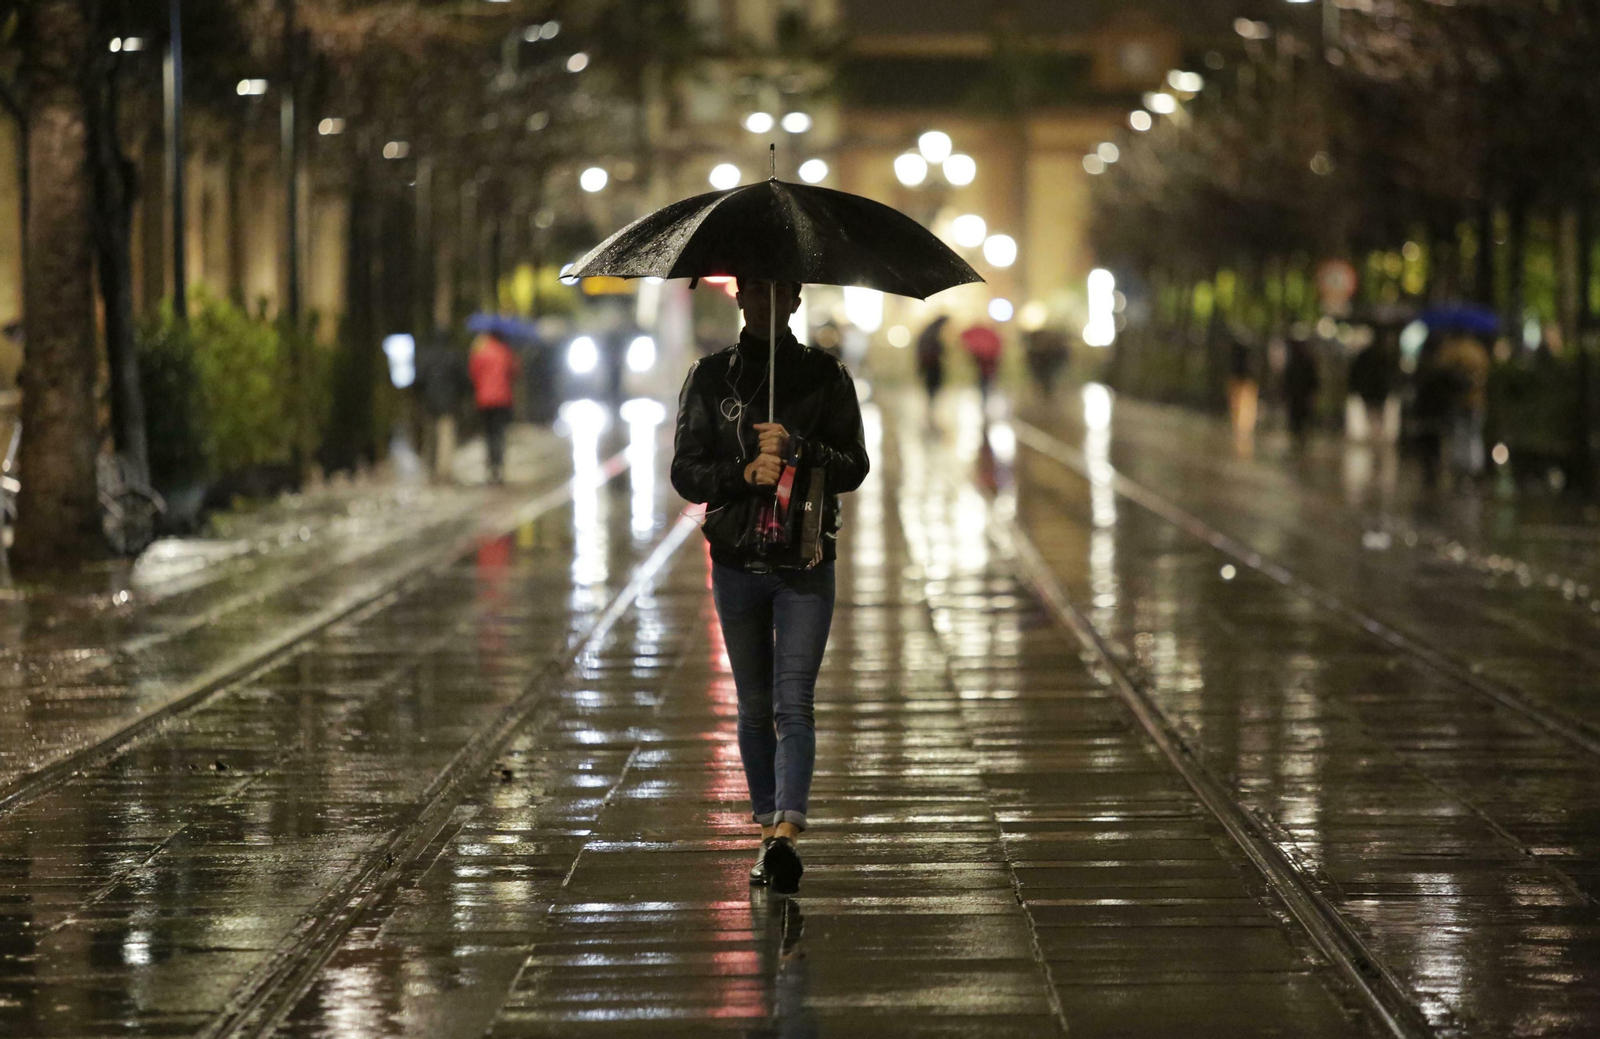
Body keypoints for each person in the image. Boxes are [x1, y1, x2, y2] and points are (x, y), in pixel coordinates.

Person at [671, 278, 869, 896]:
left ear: (795, 301)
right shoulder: (710, 377)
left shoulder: (825, 376)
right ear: (739, 297)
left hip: (803, 562)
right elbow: (685, 470)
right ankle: (766, 831)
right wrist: (744, 472)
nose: (766, 302)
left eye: (779, 292)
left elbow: (855, 464)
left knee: (793, 703)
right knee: (754, 708)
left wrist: (799, 448)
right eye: (755, 291)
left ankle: (786, 834)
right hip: (736, 563)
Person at [467, 331, 519, 484]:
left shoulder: (479, 351)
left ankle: (491, 466)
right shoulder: (505, 351)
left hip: (484, 400)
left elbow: (473, 373)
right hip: (502, 399)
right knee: (499, 433)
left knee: (488, 433)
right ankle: (499, 465)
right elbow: (514, 371)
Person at [1347, 338, 1398, 445]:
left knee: (1371, 412)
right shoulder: (1382, 358)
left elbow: (1355, 375)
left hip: (1368, 391)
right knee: (1377, 413)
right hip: (1378, 392)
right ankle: (1377, 434)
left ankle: (1374, 434)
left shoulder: (1363, 358)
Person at [1283, 335, 1320, 445]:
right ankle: (1299, 438)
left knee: (1300, 418)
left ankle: (1300, 438)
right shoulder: (1299, 362)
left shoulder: (1297, 362)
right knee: (1299, 419)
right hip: (1298, 396)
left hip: (1300, 396)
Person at [960, 323, 1003, 408]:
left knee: (985, 384)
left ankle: (985, 401)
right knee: (985, 384)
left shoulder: (984, 337)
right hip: (985, 367)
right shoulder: (988, 336)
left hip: (986, 367)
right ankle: (985, 401)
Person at [915, 316, 948, 405]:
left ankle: (932, 401)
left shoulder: (929, 332)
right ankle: (931, 401)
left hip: (929, 363)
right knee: (932, 385)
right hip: (931, 364)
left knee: (932, 385)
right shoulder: (932, 334)